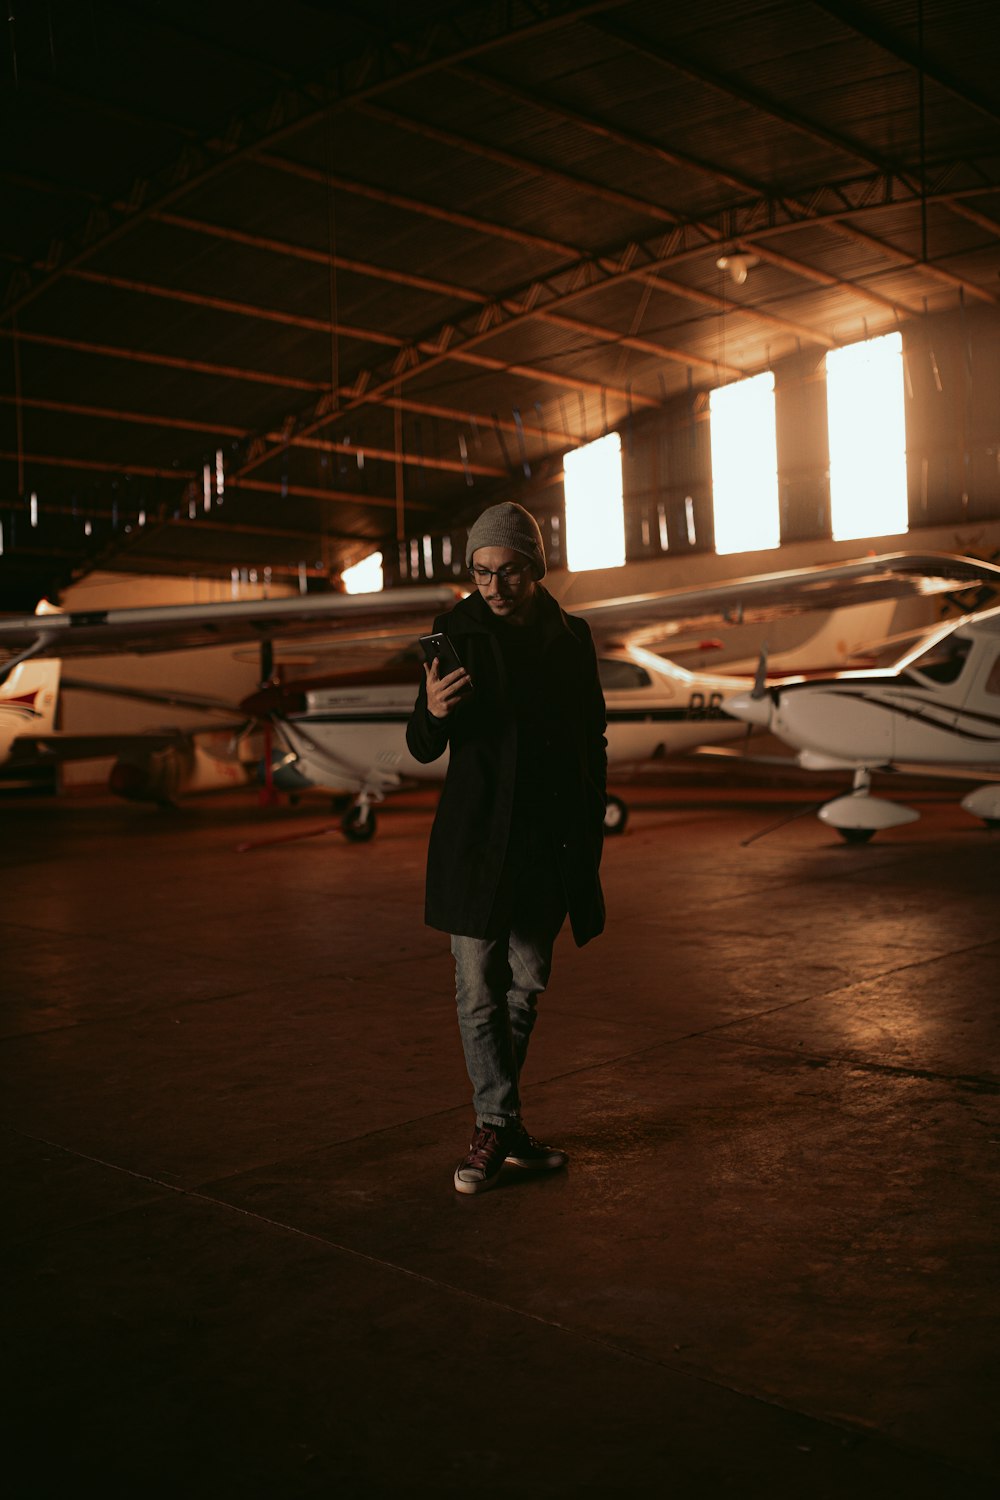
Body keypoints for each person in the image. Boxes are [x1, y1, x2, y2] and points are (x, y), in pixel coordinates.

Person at [406, 501, 608, 1195]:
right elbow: (421, 744)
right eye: (481, 572)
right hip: (476, 842)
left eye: (509, 572)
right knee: (477, 992)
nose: (492, 587)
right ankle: (495, 1126)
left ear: (535, 569)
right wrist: (432, 712)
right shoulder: (453, 632)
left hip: (548, 843)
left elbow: (594, 739)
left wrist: (589, 828)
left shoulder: (572, 638)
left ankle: (502, 1127)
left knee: (525, 988)